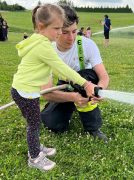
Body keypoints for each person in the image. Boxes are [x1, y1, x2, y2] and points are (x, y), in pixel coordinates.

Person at [11, 3, 96, 171]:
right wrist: (85, 83)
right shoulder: (43, 45)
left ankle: (36, 147)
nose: (59, 32)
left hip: (22, 89)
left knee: (33, 123)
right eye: (57, 28)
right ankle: (34, 157)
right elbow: (61, 67)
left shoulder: (37, 40)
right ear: (42, 26)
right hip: (26, 93)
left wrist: (72, 80)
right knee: (34, 125)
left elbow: (55, 69)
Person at [41, 5, 109, 143]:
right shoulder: (45, 52)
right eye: (65, 32)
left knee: (83, 79)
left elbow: (104, 76)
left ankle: (93, 127)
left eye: (74, 31)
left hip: (87, 81)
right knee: (54, 124)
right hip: (65, 86)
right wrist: (73, 97)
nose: (71, 37)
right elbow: (46, 92)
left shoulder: (87, 44)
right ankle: (68, 106)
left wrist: (99, 89)